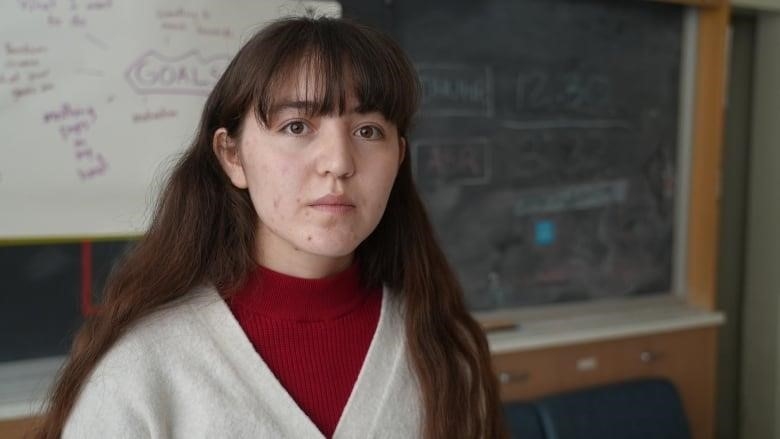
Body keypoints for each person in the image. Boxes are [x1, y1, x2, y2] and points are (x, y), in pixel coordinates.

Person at [37, 16, 505, 439]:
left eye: (368, 131)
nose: (339, 164)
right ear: (232, 156)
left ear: (399, 157)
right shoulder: (145, 370)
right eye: (297, 126)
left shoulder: (445, 349)